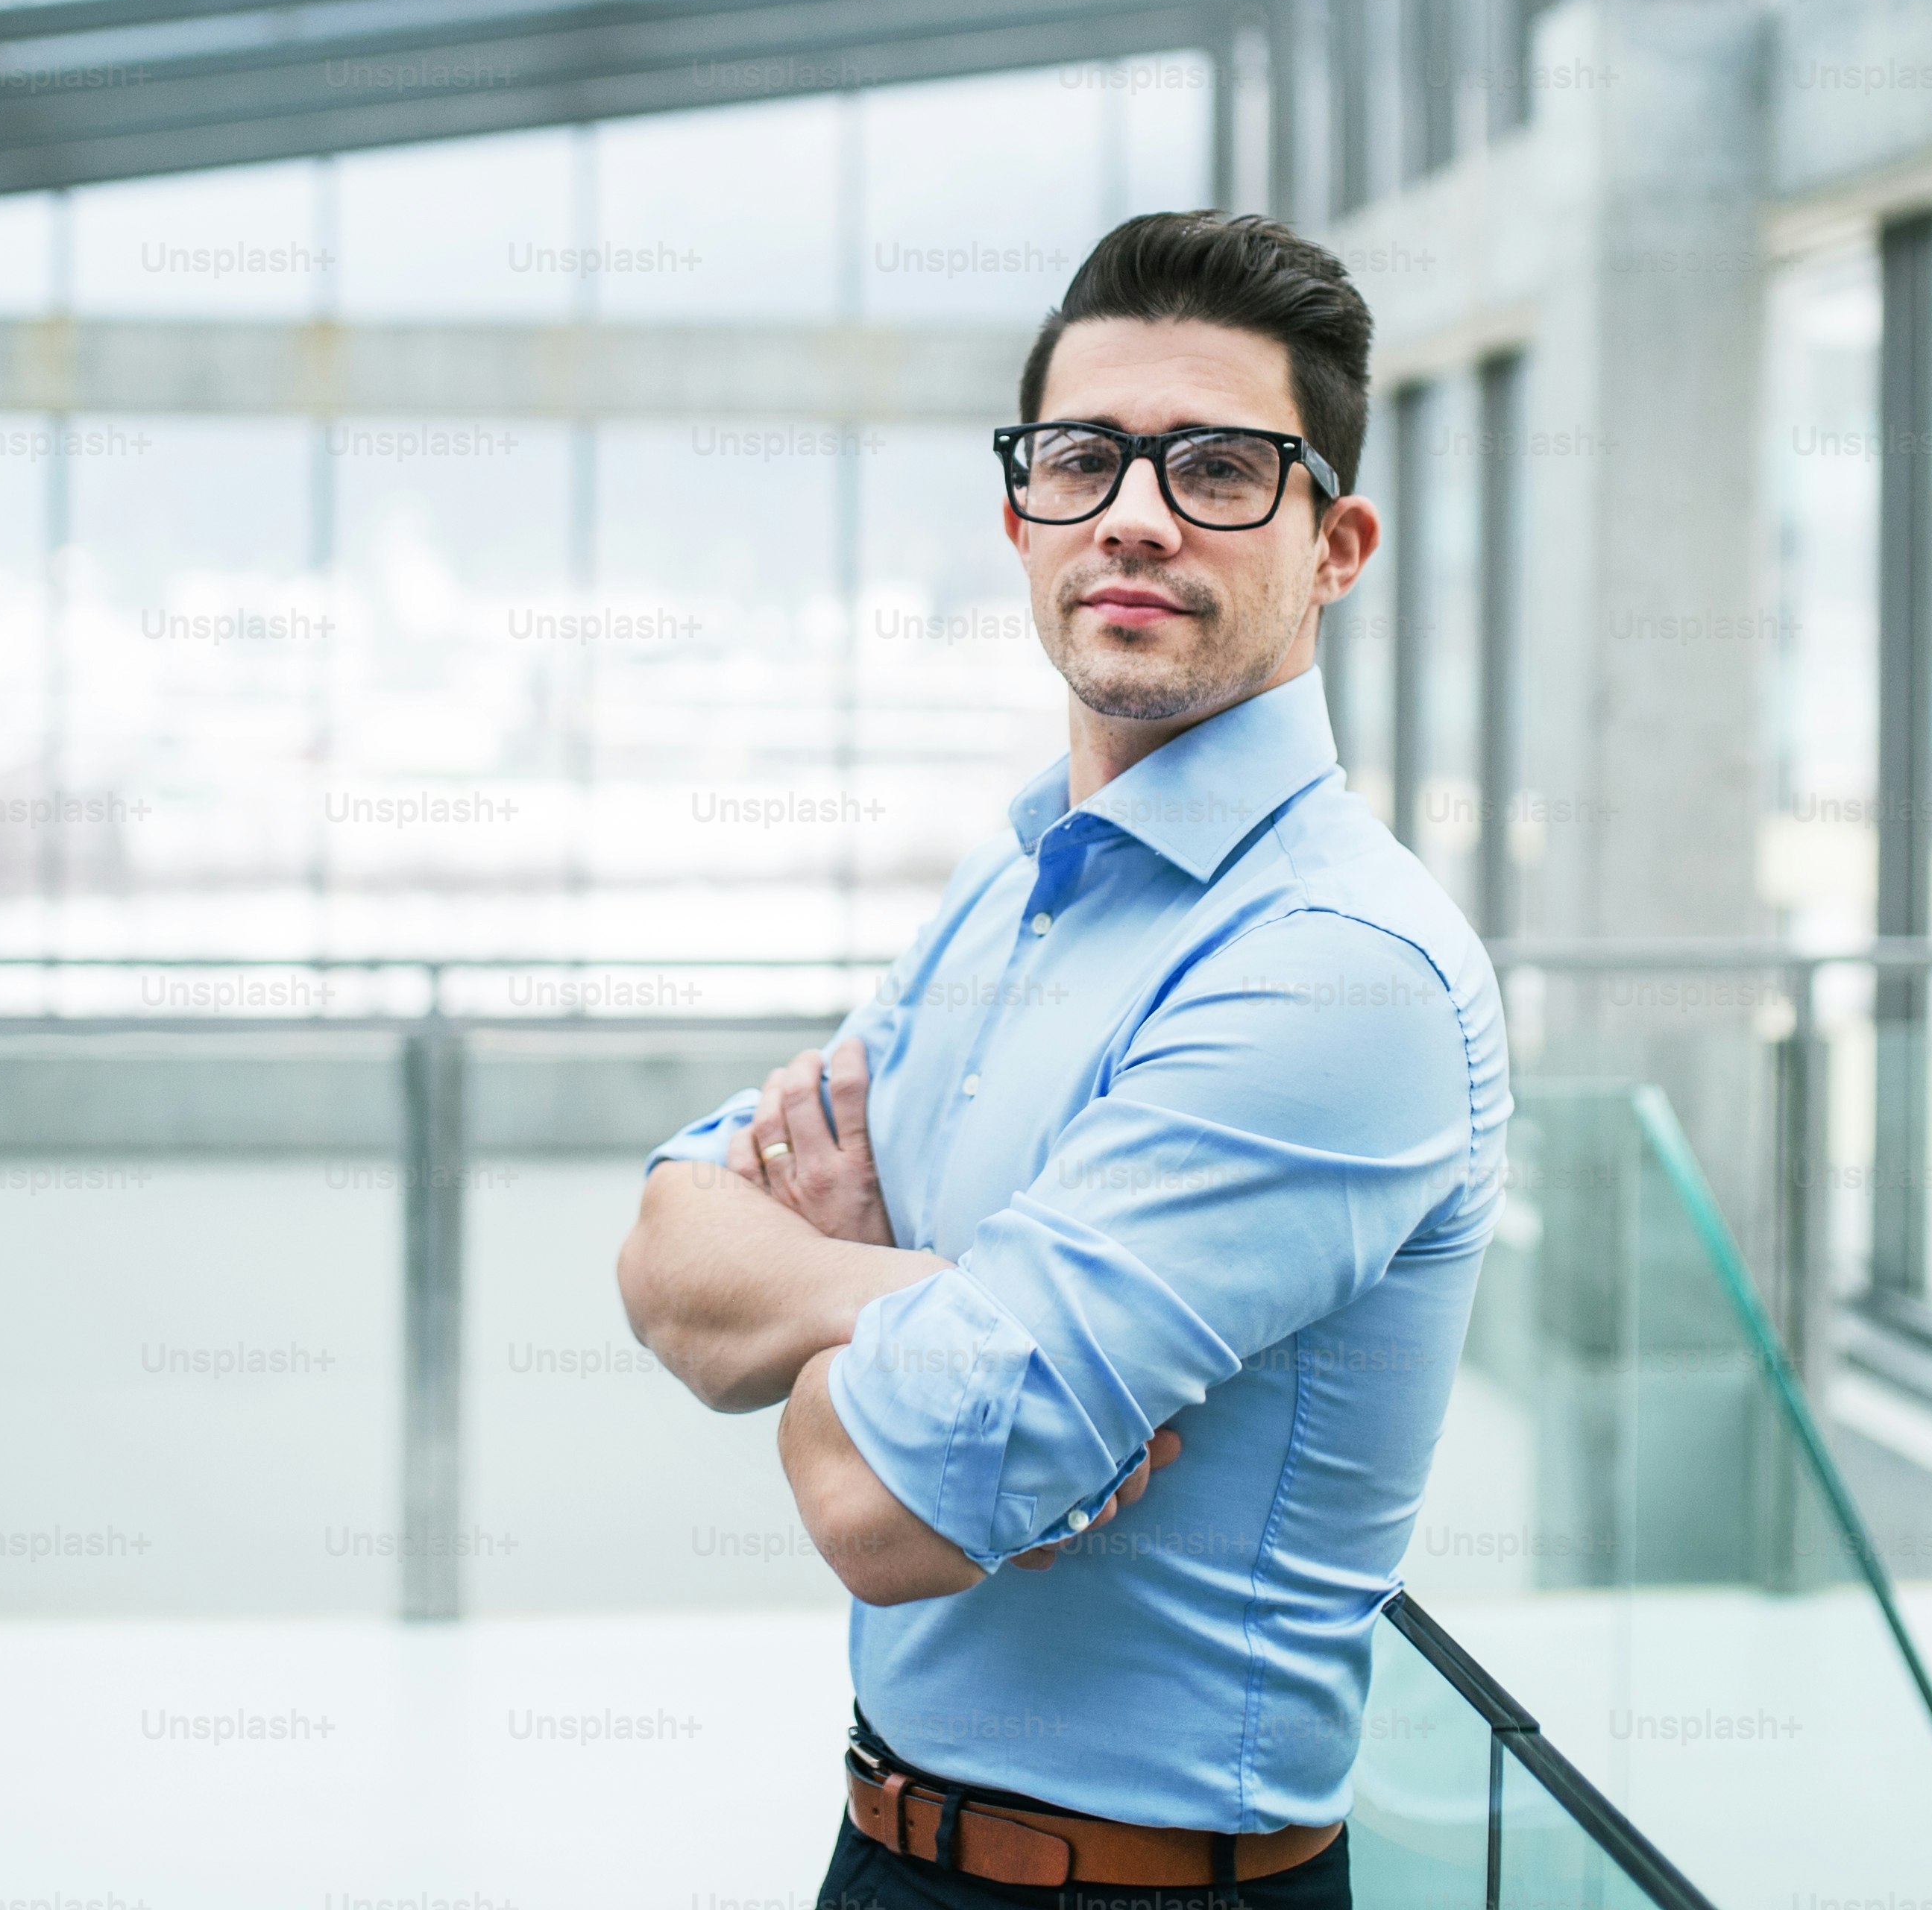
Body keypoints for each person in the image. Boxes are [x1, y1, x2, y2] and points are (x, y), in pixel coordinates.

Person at [617, 210, 1513, 1910]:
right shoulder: (1018, 873)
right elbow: (665, 1253)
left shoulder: (1338, 974)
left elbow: (879, 1507)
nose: (1136, 512)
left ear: (1338, 544)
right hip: (881, 1844)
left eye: (1223, 466)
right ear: (1021, 512)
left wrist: (813, 1284)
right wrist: (949, 1296)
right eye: (1084, 457)